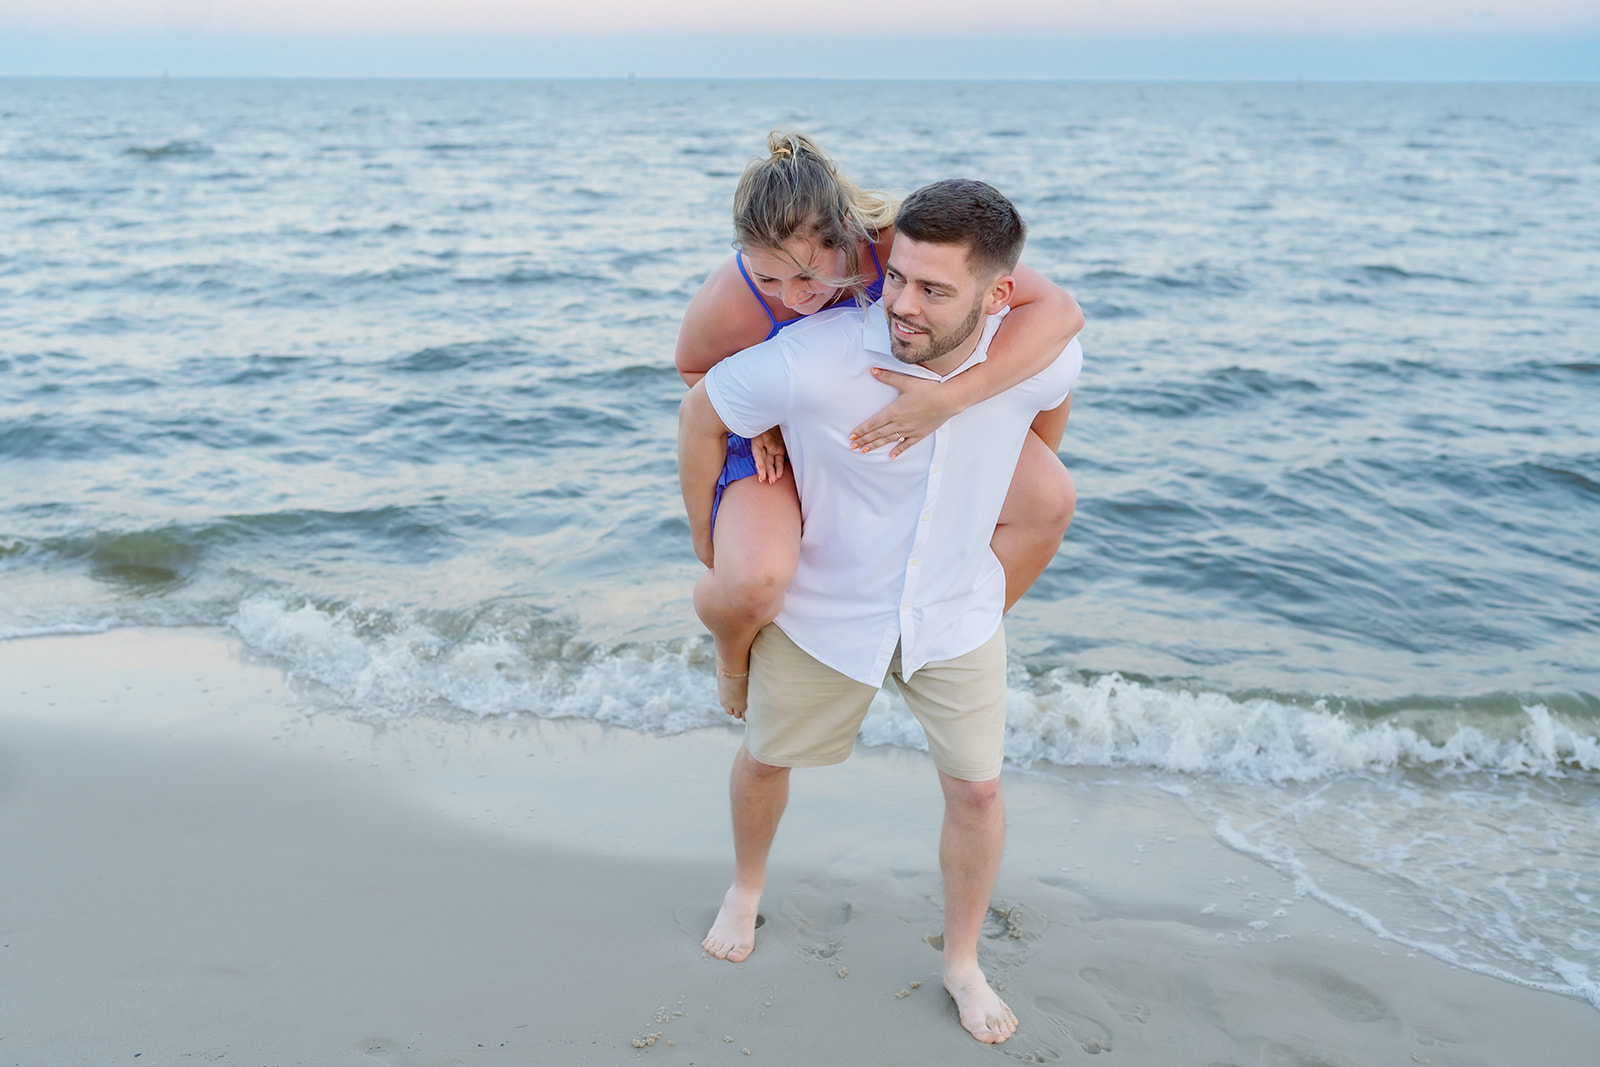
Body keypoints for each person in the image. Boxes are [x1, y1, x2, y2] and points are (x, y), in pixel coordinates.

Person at [678, 179, 1082, 1045]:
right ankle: (745, 888)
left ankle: (963, 962)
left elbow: (1053, 398)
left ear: (997, 296)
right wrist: (713, 543)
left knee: (978, 791)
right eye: (896, 277)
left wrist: (989, 440)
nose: (901, 303)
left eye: (934, 289)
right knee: (766, 758)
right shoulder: (815, 357)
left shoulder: (1032, 358)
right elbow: (698, 406)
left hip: (955, 614)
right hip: (827, 614)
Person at [676, 132, 1082, 719]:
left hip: (899, 414)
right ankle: (733, 659)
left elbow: (1059, 313)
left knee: (1050, 499)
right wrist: (759, 432)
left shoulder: (898, 248)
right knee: (753, 582)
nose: (794, 298)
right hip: (778, 432)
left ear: (845, 232)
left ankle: (935, 646)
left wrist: (950, 401)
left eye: (808, 275)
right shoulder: (736, 291)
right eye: (770, 280)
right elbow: (694, 368)